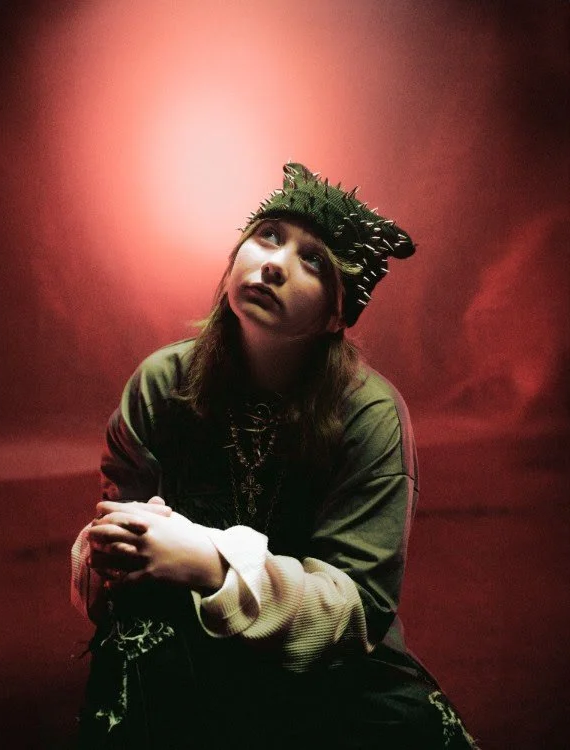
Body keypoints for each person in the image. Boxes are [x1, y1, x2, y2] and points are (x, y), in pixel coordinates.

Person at [71, 162, 479, 749]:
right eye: (268, 236)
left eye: (312, 260)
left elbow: (357, 612)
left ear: (338, 312)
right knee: (135, 665)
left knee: (407, 726)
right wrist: (115, 545)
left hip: (322, 665)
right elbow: (111, 544)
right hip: (185, 634)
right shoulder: (162, 383)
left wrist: (210, 563)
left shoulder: (370, 414)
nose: (275, 264)